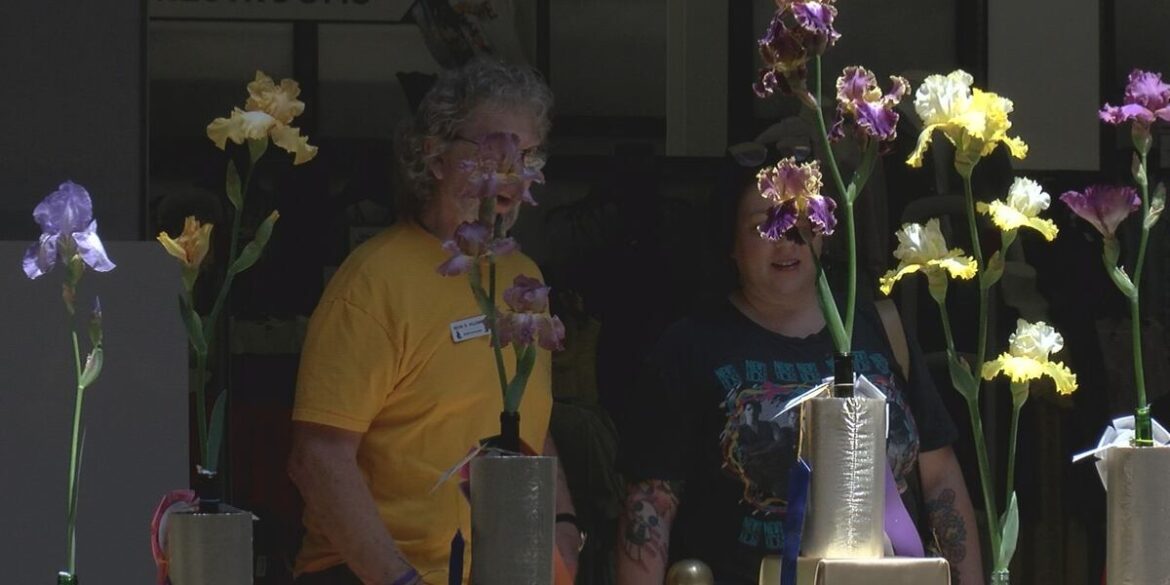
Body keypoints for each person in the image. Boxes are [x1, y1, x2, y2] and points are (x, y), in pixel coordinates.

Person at [614, 144, 983, 585]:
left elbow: (938, 473)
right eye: (761, 225)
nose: (785, 237)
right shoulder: (691, 346)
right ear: (730, 243)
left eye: (799, 218)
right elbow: (651, 504)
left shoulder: (880, 327)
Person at [287, 58, 580, 585]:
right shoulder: (374, 280)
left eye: (529, 154)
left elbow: (530, 420)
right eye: (494, 151)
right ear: (435, 154)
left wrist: (562, 525)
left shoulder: (521, 272)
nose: (510, 174)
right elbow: (318, 457)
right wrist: (399, 580)